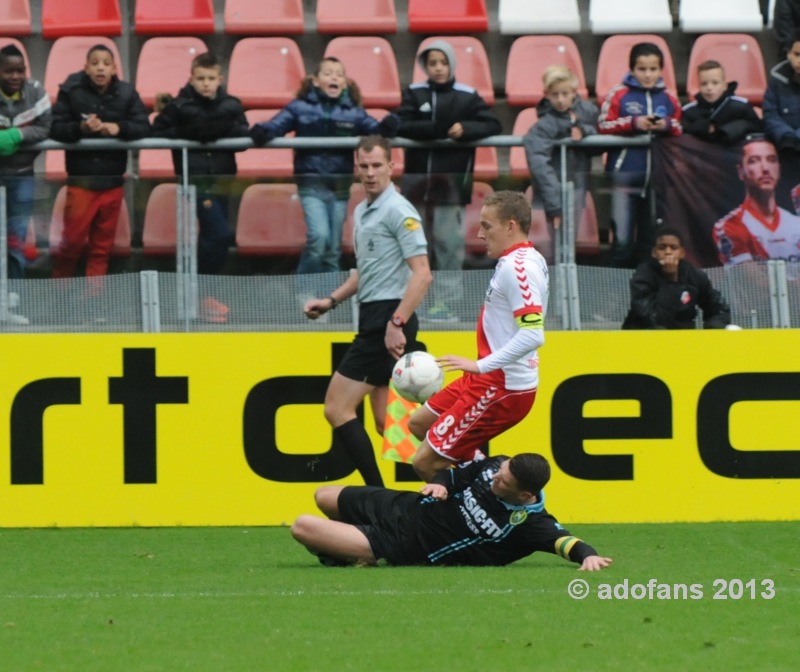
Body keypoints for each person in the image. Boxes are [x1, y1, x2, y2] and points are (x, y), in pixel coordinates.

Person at [303, 136, 432, 487]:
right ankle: (463, 475)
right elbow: (366, 271)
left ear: (392, 166)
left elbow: (422, 273)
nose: (371, 173)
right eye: (364, 166)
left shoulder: (398, 210)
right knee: (386, 423)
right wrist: (331, 301)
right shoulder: (362, 210)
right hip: (378, 316)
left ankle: (376, 495)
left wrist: (396, 322)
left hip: (389, 319)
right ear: (356, 168)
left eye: (378, 166)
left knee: (336, 408)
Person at [407, 190, 548, 483]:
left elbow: (533, 335)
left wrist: (480, 365)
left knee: (424, 463)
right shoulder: (519, 260)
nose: (480, 234)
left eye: (487, 226)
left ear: (510, 226)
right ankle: (486, 477)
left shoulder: (518, 268)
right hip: (488, 379)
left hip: (501, 387)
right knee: (419, 423)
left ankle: (476, 517)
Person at [291, 452, 613, 569]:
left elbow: (565, 543)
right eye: (500, 471)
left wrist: (588, 555)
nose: (495, 480)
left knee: (302, 527)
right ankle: (339, 548)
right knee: (323, 496)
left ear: (526, 494)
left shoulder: (530, 524)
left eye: (504, 482)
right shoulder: (496, 466)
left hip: (403, 544)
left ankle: (348, 552)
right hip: (405, 505)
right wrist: (441, 484)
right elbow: (455, 474)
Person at [250, 57, 396, 282]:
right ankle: (304, 289)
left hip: (339, 186)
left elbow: (375, 131)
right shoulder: (299, 107)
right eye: (328, 73)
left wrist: (389, 126)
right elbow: (277, 125)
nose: (334, 77)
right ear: (316, 81)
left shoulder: (353, 112)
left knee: (333, 247)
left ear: (345, 83)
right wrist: (263, 131)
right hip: (312, 182)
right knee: (319, 237)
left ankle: (330, 299)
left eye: (339, 73)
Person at [394, 40, 501, 323]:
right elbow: (399, 124)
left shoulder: (467, 96)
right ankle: (409, 304)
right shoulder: (414, 94)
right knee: (414, 245)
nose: (438, 68)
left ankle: (446, 303)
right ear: (424, 67)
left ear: (451, 64)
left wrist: (466, 129)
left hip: (452, 187)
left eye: (443, 62)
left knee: (448, 245)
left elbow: (493, 125)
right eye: (432, 63)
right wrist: (436, 131)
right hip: (416, 186)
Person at [152, 52, 249, 324]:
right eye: (200, 78)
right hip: (194, 179)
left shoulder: (231, 104)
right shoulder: (178, 105)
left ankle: (203, 296)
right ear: (191, 79)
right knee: (218, 233)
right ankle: (201, 294)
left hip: (223, 179)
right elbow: (156, 132)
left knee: (216, 237)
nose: (206, 84)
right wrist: (190, 133)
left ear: (220, 79)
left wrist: (212, 130)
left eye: (211, 78)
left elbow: (244, 136)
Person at [49, 44, 149, 288]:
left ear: (115, 68)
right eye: (95, 63)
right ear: (86, 67)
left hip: (113, 182)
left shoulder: (127, 93)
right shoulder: (71, 90)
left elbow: (144, 126)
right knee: (71, 243)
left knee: (102, 247)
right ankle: (57, 296)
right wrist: (80, 129)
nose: (100, 68)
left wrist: (120, 128)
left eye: (106, 63)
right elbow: (54, 127)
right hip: (81, 182)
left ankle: (94, 303)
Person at [598, 42, 682, 268]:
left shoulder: (669, 97)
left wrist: (665, 125)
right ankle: (613, 298)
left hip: (657, 179)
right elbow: (603, 125)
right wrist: (634, 123)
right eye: (642, 69)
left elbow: (681, 127)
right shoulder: (619, 94)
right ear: (632, 69)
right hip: (623, 179)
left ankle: (645, 298)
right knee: (622, 242)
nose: (647, 75)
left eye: (653, 69)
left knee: (650, 242)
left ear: (660, 70)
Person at [523, 64, 598, 264]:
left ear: (575, 92)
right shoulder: (543, 126)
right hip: (553, 192)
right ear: (546, 95)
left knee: (568, 244)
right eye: (555, 94)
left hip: (578, 185)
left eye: (565, 93)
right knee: (557, 246)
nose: (561, 99)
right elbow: (539, 163)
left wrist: (584, 131)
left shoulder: (588, 112)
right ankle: (553, 289)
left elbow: (601, 139)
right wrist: (554, 205)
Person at [0, 44, 52, 324]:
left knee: (15, 239)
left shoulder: (36, 92)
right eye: (8, 70)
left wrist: (15, 136)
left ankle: (11, 303)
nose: (15, 76)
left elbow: (45, 127)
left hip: (22, 175)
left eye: (20, 70)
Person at [622, 227, 731, 329]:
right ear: (654, 253)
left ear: (682, 253)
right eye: (662, 248)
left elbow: (718, 309)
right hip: (646, 337)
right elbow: (652, 319)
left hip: (684, 339)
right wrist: (671, 279)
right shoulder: (643, 275)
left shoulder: (694, 275)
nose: (668, 252)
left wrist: (712, 330)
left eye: (673, 248)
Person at [713, 136, 800, 264]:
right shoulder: (729, 226)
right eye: (754, 161)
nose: (765, 168)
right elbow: (752, 282)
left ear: (779, 168)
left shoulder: (796, 223)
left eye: (771, 160)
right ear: (741, 171)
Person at [681, 60, 762, 145]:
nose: (709, 88)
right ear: (699, 87)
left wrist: (730, 130)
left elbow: (757, 129)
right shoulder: (688, 111)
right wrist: (703, 127)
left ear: (724, 86)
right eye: (704, 84)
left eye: (715, 83)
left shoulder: (741, 106)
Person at [763, 28, 800, 205]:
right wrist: (785, 135)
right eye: (797, 54)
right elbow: (770, 112)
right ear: (789, 54)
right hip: (783, 148)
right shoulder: (776, 79)